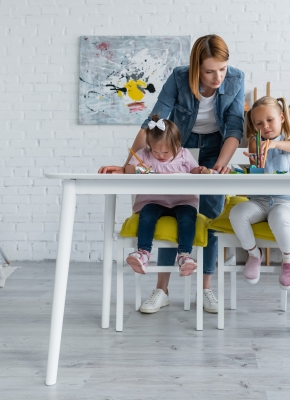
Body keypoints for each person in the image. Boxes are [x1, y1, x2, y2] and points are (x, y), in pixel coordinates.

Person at [99, 35, 245, 314]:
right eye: (209, 71)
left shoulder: (236, 79)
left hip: (217, 145)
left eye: (223, 69)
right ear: (195, 68)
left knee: (211, 214)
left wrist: (217, 168)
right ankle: (162, 289)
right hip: (176, 143)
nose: (218, 78)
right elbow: (154, 121)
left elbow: (235, 127)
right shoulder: (179, 78)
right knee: (168, 204)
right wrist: (128, 164)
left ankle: (206, 289)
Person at [125, 115, 208, 313]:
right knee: (147, 215)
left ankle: (184, 256)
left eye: (166, 151)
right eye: (156, 151)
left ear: (176, 145)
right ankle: (143, 253)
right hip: (153, 200)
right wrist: (136, 168)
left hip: (182, 201)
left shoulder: (184, 154)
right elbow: (128, 169)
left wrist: (200, 171)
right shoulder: (144, 155)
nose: (160, 155)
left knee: (189, 217)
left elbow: (195, 170)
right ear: (149, 146)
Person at [229, 96, 290, 290]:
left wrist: (276, 144)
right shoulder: (255, 144)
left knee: (278, 218)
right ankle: (254, 254)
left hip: (283, 202)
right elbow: (257, 163)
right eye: (259, 123)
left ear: (281, 117)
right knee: (237, 213)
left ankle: (289, 258)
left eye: (270, 120)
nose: (266, 126)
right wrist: (254, 159)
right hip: (259, 201)